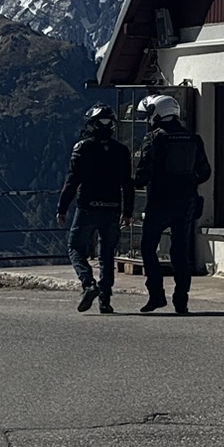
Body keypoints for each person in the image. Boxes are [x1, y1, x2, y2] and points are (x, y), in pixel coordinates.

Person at [132, 93, 210, 314]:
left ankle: (156, 294)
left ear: (157, 113)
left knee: (148, 247)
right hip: (186, 202)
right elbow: (205, 171)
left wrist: (134, 182)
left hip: (160, 201)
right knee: (180, 252)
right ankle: (181, 300)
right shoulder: (193, 138)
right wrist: (188, 182)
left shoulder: (155, 138)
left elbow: (143, 171)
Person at [57, 105, 133, 312]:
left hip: (87, 207)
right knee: (107, 254)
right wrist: (127, 212)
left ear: (91, 125)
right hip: (113, 208)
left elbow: (72, 181)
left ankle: (88, 284)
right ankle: (105, 301)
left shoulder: (82, 148)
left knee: (75, 247)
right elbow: (127, 184)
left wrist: (62, 209)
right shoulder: (121, 150)